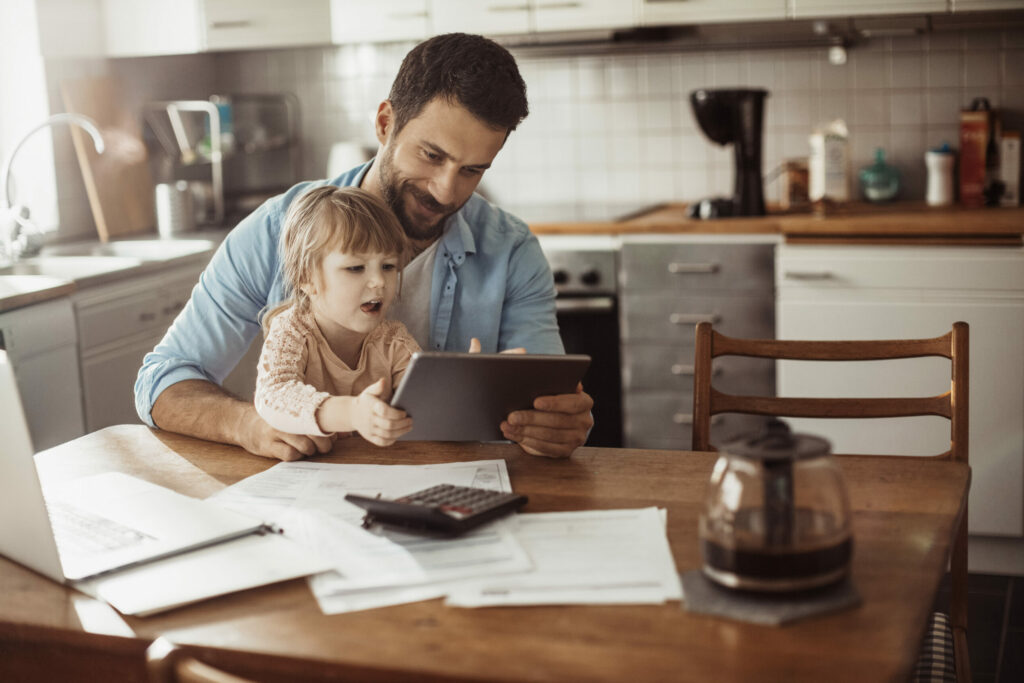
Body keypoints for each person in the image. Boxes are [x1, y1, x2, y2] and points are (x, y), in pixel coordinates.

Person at [135, 32, 594, 461]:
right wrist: (247, 425)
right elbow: (162, 380)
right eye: (431, 156)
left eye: (473, 170)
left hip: (453, 495)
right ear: (384, 122)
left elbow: (548, 398)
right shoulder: (278, 229)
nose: (446, 192)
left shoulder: (511, 250)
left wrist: (555, 425)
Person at [254, 186, 418, 447]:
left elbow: (425, 402)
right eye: (355, 268)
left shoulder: (393, 341)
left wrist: (466, 382)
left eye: (388, 266)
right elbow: (273, 395)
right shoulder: (292, 330)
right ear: (306, 278)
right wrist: (352, 413)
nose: (378, 282)